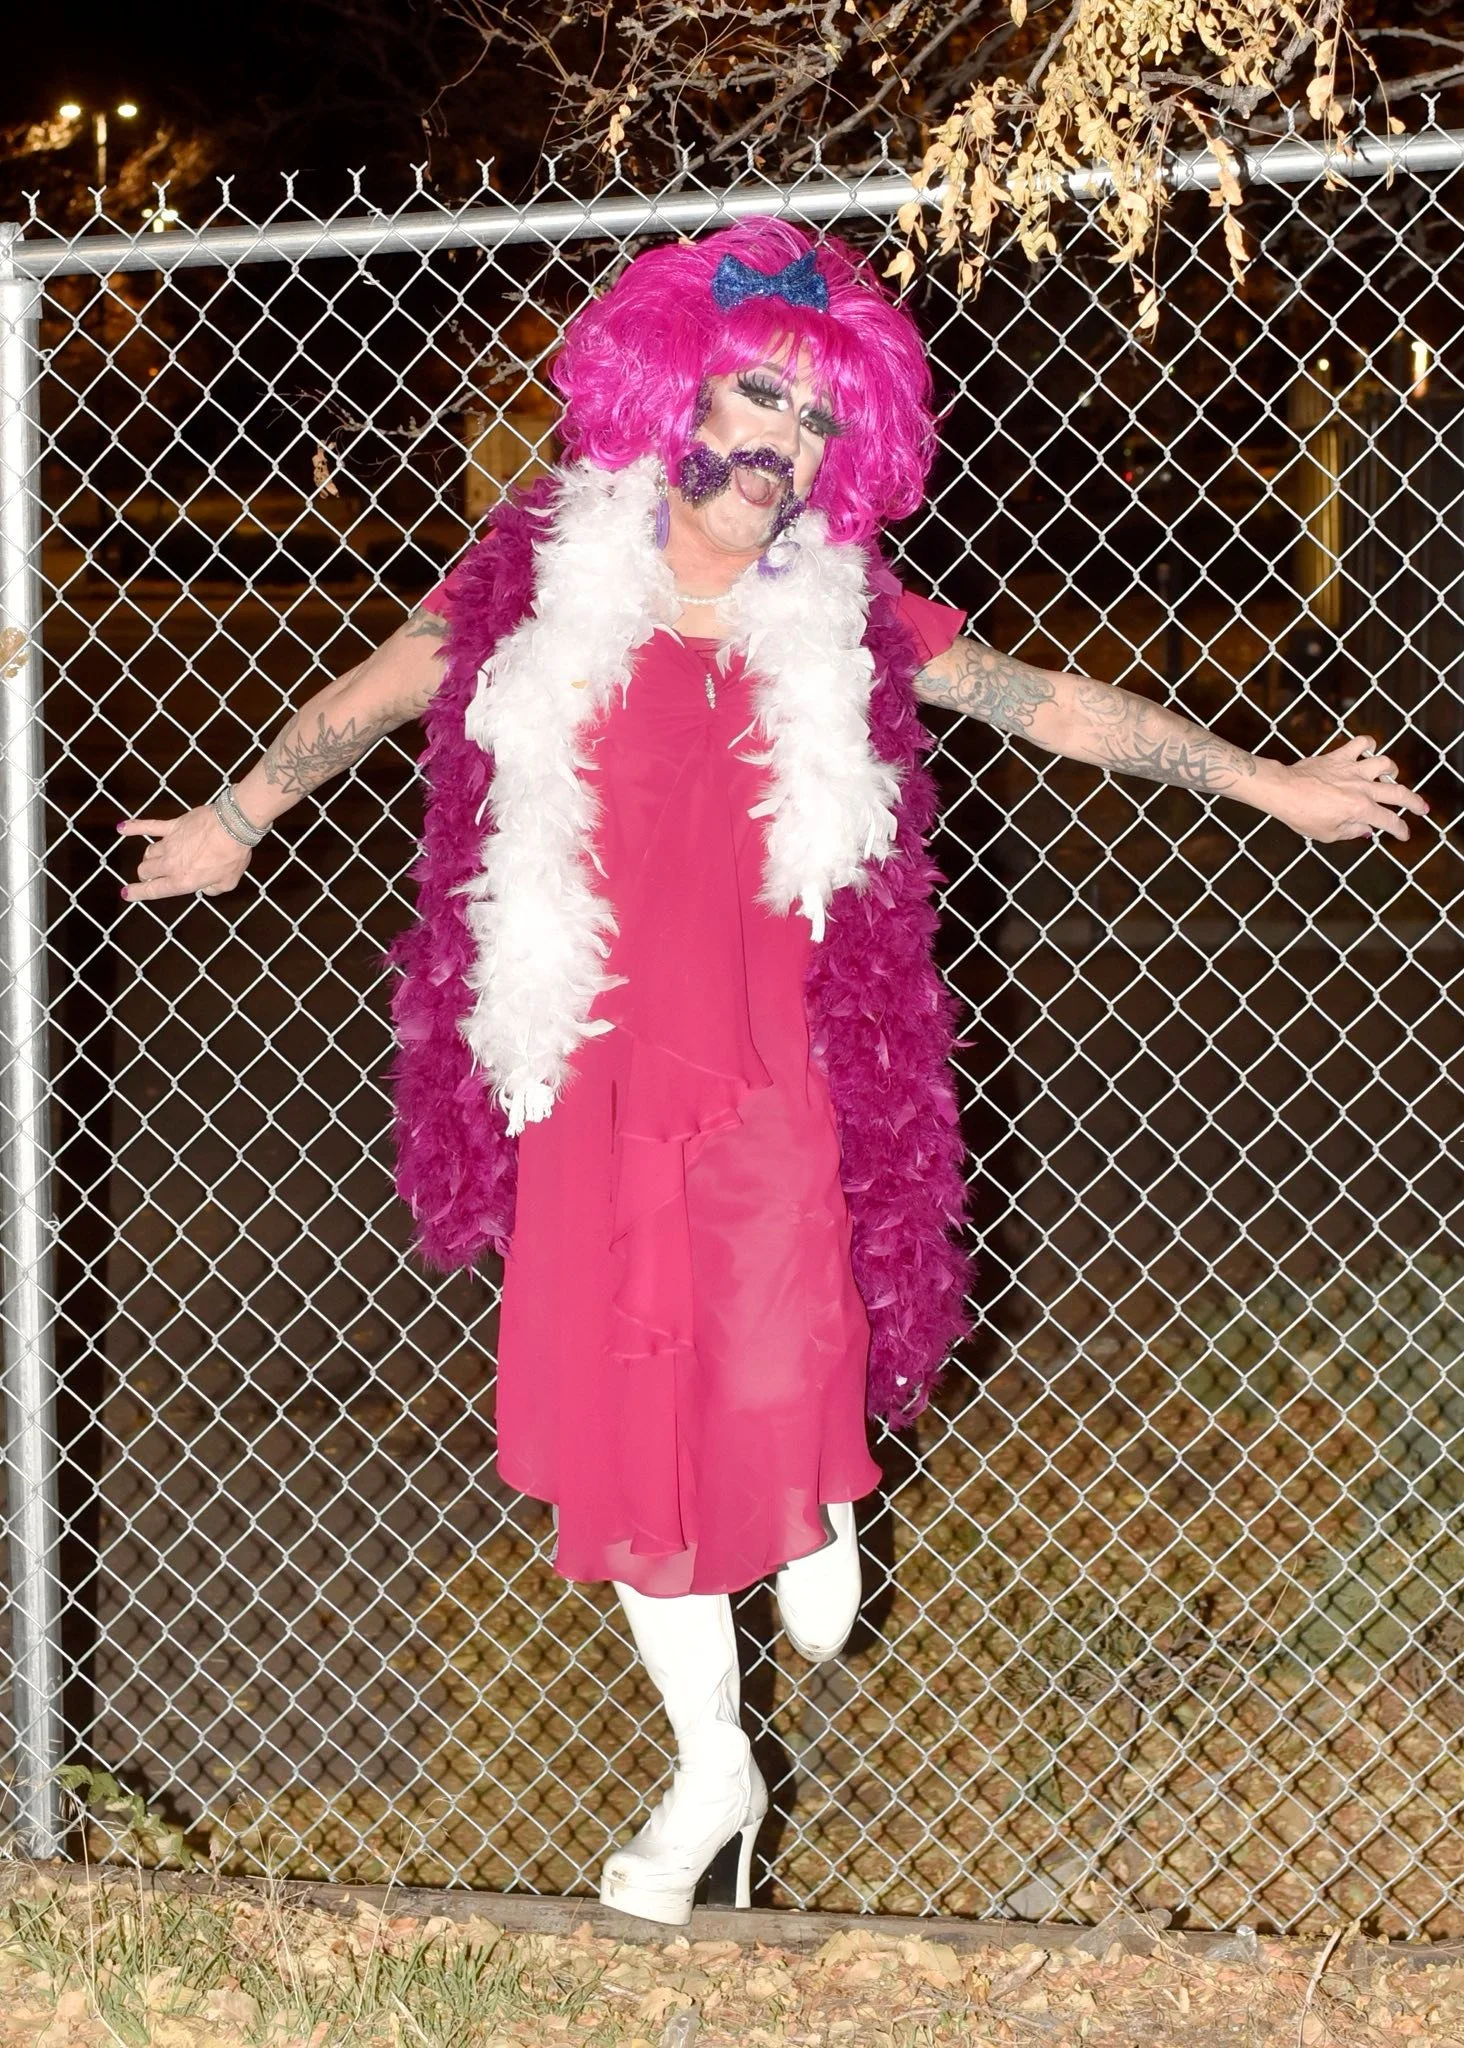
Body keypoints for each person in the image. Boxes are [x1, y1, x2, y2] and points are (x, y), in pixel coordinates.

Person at [119, 220, 1428, 1927]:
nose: (782, 448)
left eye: (816, 424)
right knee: (629, 1438)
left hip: (773, 1074)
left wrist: (1267, 784)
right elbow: (383, 689)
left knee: (784, 1413)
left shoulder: (847, 603)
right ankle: (708, 1763)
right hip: (583, 1070)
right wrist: (237, 817)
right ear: (672, 392)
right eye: (757, 396)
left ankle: (812, 1512)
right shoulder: (536, 568)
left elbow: (1040, 700)